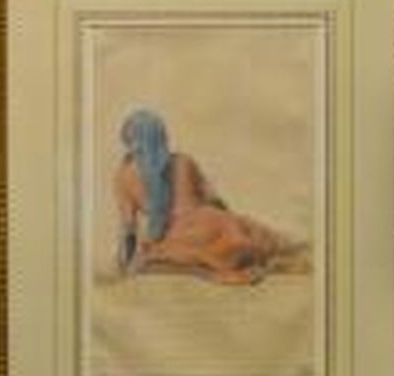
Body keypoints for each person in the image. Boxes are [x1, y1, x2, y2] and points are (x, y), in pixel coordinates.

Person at [114, 109, 310, 285]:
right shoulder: (184, 161)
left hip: (178, 235)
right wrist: (228, 219)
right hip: (214, 220)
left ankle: (250, 268)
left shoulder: (124, 176)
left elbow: (129, 229)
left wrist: (126, 262)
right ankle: (282, 256)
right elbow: (214, 199)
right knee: (257, 242)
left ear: (130, 142)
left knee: (151, 263)